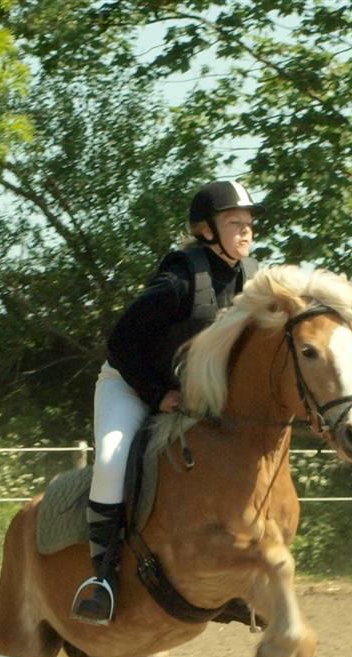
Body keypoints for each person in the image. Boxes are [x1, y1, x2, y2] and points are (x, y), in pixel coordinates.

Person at [71, 179, 265, 624]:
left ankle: (230, 583)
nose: (246, 231)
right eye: (235, 223)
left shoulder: (252, 279)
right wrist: (157, 395)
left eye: (249, 224)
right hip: (131, 383)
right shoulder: (180, 278)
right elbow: (120, 341)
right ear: (205, 230)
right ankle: (101, 578)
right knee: (111, 461)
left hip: (195, 396)